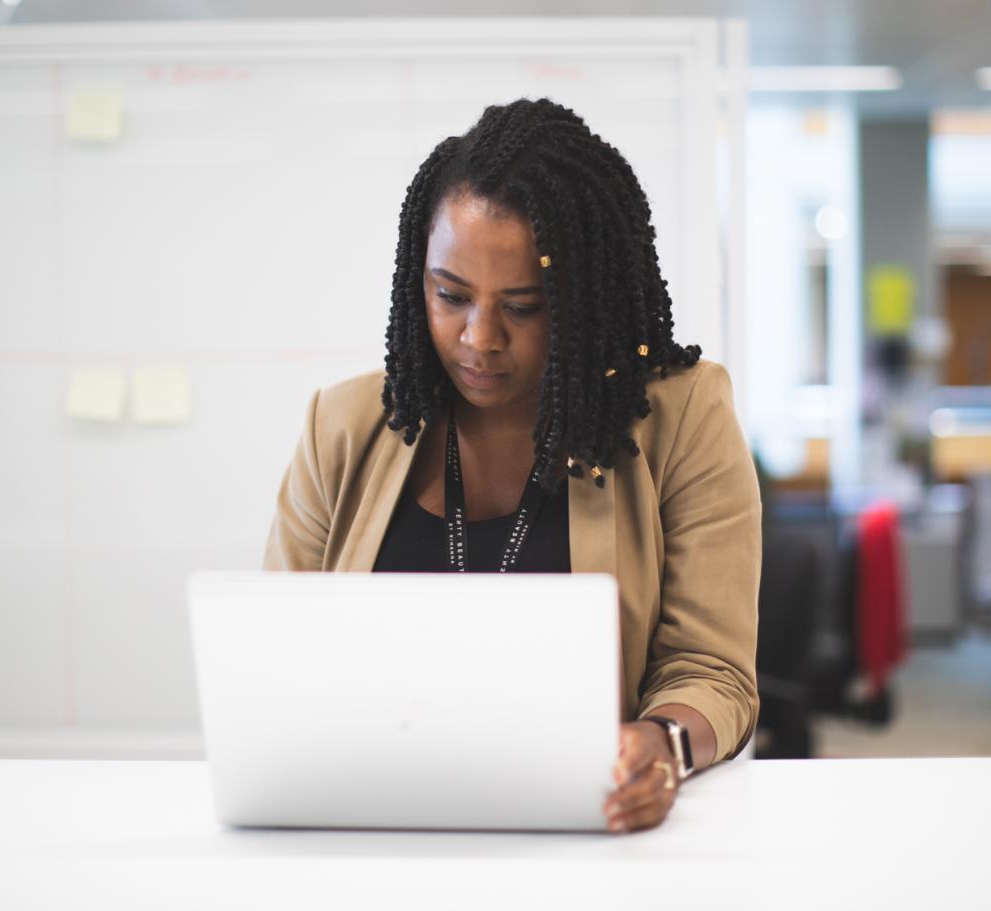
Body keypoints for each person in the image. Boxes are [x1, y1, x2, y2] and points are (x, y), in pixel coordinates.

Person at [264, 98, 760, 833]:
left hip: (590, 828)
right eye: (450, 296)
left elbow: (712, 670)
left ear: (584, 300)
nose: (480, 338)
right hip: (375, 825)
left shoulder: (683, 416)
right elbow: (276, 658)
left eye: (524, 306)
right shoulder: (341, 426)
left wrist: (661, 745)